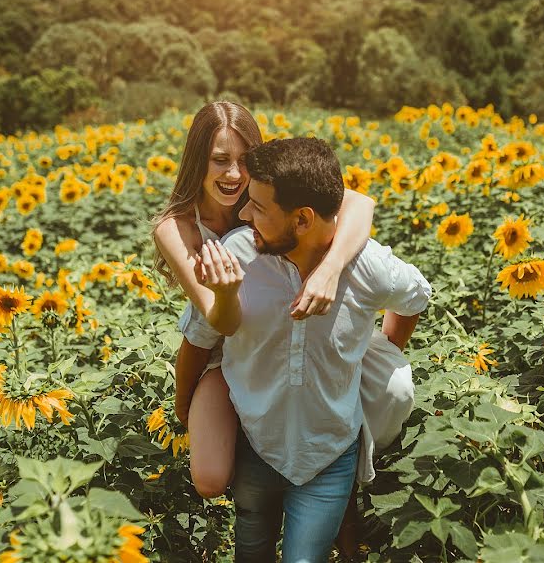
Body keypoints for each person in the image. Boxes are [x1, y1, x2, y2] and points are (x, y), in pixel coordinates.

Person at [181, 137, 432, 562]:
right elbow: (198, 339)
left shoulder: (366, 266)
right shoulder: (237, 255)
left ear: (302, 220)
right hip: (255, 441)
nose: (243, 215)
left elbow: (415, 297)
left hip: (328, 454)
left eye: (258, 207)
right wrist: (184, 411)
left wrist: (382, 349)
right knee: (252, 552)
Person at [151, 102, 380, 499]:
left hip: (299, 331)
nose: (234, 174)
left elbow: (360, 203)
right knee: (208, 480)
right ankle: (257, 462)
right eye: (219, 160)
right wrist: (183, 407)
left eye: (243, 160)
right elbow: (211, 326)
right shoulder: (177, 229)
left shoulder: (267, 196)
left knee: (388, 394)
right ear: (196, 162)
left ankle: (345, 488)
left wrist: (330, 269)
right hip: (229, 348)